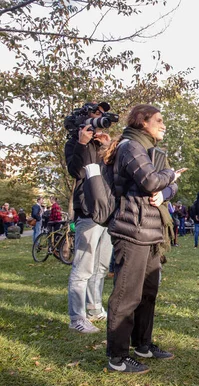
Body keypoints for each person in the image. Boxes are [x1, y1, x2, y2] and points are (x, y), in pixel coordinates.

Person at [105, 104, 182, 373]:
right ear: (142, 121)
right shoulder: (130, 147)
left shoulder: (148, 150)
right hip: (132, 231)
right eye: (158, 120)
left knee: (148, 293)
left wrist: (169, 187)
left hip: (150, 232)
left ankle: (143, 345)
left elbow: (162, 187)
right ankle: (117, 357)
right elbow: (151, 182)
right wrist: (171, 176)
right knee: (127, 295)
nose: (163, 125)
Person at [64, 101, 114, 334]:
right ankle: (77, 318)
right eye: (96, 115)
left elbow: (111, 174)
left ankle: (94, 308)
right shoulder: (74, 144)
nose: (100, 119)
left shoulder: (99, 145)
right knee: (83, 268)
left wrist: (108, 148)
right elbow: (78, 172)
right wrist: (83, 144)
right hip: (87, 211)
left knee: (101, 266)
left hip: (105, 211)